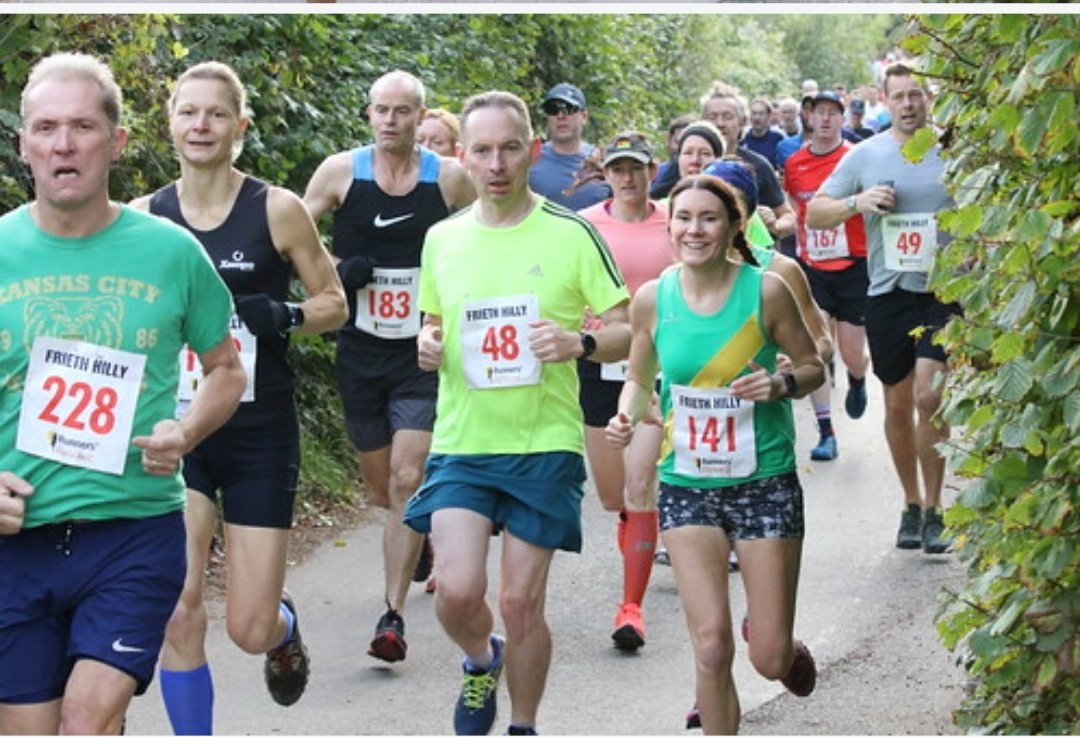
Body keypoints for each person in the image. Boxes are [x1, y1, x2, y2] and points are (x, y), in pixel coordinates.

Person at [0, 52, 247, 735]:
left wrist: (187, 431)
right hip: (14, 541)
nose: (63, 143)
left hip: (133, 533)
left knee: (87, 716)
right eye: (46, 127)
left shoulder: (170, 253)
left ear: (118, 141)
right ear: (23, 143)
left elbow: (226, 368)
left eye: (82, 125)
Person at [403, 90, 630, 736]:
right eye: (482, 150)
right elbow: (434, 327)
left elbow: (625, 328)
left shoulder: (571, 233)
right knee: (456, 591)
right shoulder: (442, 239)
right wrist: (427, 343)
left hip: (543, 443)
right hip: (463, 442)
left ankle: (524, 724)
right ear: (462, 158)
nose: (496, 163)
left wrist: (579, 342)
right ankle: (482, 658)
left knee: (520, 601)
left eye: (509, 148)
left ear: (531, 150)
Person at [129, 61, 347, 731]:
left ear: (240, 127)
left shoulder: (276, 209)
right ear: (169, 124)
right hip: (181, 431)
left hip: (259, 433)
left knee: (246, 627)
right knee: (177, 604)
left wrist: (284, 315)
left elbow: (335, 303)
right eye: (187, 112)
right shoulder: (143, 219)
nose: (200, 124)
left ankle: (281, 629)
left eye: (215, 113)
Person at [607, 173, 825, 735]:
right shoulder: (654, 298)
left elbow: (811, 367)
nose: (693, 229)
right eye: (682, 218)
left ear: (732, 227)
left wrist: (778, 386)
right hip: (687, 483)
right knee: (710, 646)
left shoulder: (765, 291)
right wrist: (627, 413)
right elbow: (638, 376)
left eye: (708, 218)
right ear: (670, 225)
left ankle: (785, 650)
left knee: (768, 658)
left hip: (765, 481)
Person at [303, 69, 475, 663]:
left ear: (420, 116)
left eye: (402, 111)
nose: (390, 121)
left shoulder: (449, 179)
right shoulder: (340, 172)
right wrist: (334, 269)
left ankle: (391, 614)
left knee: (408, 475)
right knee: (381, 488)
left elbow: (486, 238)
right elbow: (292, 233)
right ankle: (414, 534)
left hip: (420, 352)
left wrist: (454, 306)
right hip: (360, 350)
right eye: (381, 110)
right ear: (368, 113)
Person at [807, 63, 958, 554]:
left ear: (928, 98)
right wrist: (859, 201)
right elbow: (816, 211)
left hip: (943, 292)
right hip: (888, 293)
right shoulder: (866, 155)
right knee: (896, 404)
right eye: (900, 96)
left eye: (917, 94)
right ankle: (911, 503)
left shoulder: (953, 150)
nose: (909, 104)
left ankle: (936, 509)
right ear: (884, 99)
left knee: (929, 397)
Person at [578, 133, 672, 652]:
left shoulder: (674, 223)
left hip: (657, 368)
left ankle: (630, 607)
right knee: (615, 494)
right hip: (601, 365)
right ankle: (637, 532)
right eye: (618, 168)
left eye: (636, 167)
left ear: (652, 170)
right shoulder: (587, 225)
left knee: (640, 484)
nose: (628, 177)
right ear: (605, 172)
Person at [783, 91, 872, 463]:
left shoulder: (855, 158)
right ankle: (826, 433)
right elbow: (790, 206)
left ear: (842, 118)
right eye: (819, 113)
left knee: (851, 353)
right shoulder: (794, 163)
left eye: (833, 114)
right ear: (809, 117)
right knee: (817, 352)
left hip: (853, 265)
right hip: (814, 269)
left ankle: (857, 377)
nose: (825, 120)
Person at [701, 87, 796, 243]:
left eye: (728, 117)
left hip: (752, 260)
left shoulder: (757, 165)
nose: (720, 123)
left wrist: (774, 226)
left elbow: (789, 217)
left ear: (742, 122)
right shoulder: (690, 165)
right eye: (713, 117)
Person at [527, 82, 609, 210]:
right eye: (553, 110)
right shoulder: (529, 159)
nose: (561, 116)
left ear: (584, 116)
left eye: (569, 109)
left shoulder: (604, 163)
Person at [649, 112, 696, 200]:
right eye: (678, 142)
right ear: (669, 140)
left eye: (687, 142)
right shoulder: (656, 174)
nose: (681, 149)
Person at [741, 98, 785, 170]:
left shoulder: (778, 138)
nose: (757, 117)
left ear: (768, 116)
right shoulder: (742, 138)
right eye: (754, 113)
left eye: (761, 114)